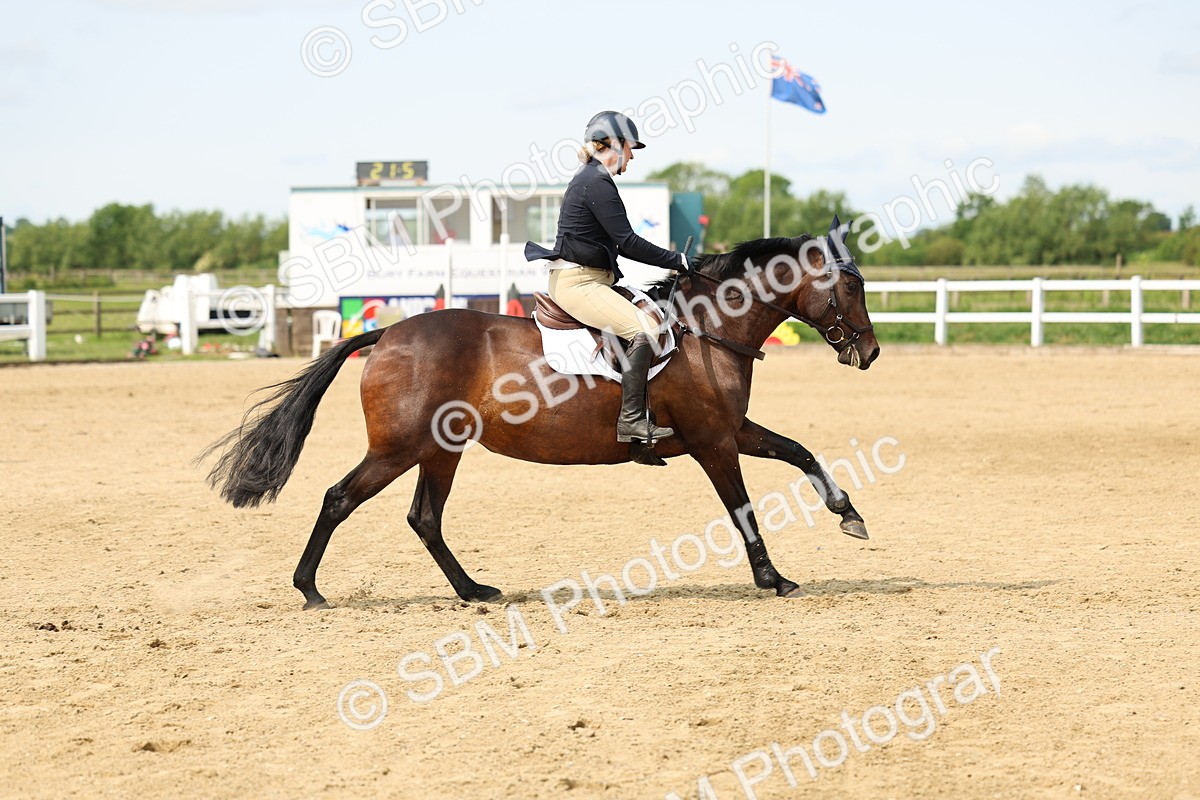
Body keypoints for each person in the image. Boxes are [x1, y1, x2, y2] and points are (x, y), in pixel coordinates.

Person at [525, 110, 697, 452]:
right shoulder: (596, 182)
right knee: (645, 331)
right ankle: (631, 419)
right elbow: (628, 242)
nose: (632, 156)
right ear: (613, 144)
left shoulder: (593, 178)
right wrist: (677, 260)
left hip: (592, 280)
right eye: (630, 148)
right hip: (579, 283)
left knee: (654, 317)